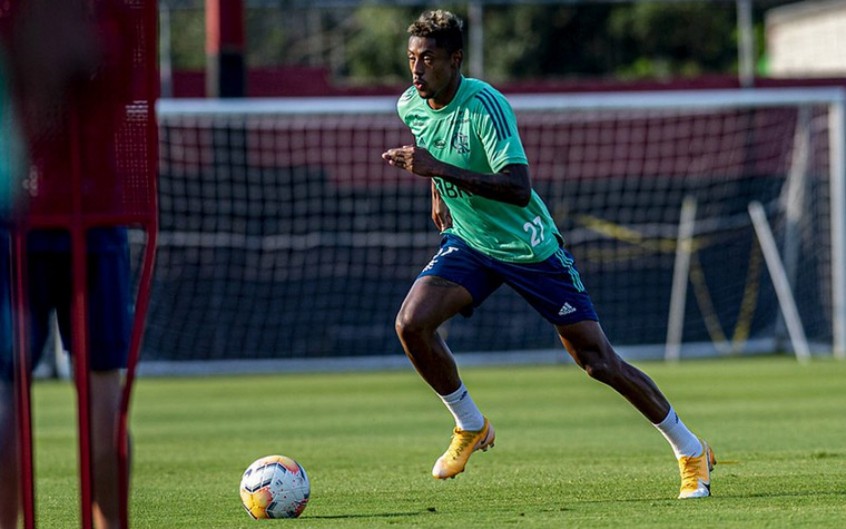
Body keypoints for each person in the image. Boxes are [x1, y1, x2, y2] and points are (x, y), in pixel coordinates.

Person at [382, 9, 715, 499]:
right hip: (471, 243)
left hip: (528, 246)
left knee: (598, 361)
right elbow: (431, 140)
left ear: (455, 60)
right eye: (411, 58)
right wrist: (436, 187)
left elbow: (518, 188)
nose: (416, 70)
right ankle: (470, 424)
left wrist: (436, 170)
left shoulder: (486, 106)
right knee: (411, 323)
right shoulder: (411, 103)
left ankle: (690, 451)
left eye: (427, 59)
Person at [0, 1, 135, 527]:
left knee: (28, 402)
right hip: (67, 217)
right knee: (91, 398)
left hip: (42, 218)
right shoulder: (113, 22)